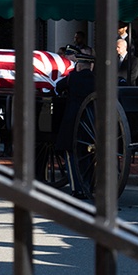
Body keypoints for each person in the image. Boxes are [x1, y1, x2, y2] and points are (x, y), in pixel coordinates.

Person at [55, 51, 96, 197]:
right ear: (91, 66)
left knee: (71, 153)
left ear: (78, 65)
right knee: (88, 155)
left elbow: (58, 87)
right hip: (92, 125)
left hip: (73, 122)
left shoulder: (72, 78)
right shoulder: (98, 80)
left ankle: (77, 188)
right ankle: (89, 185)